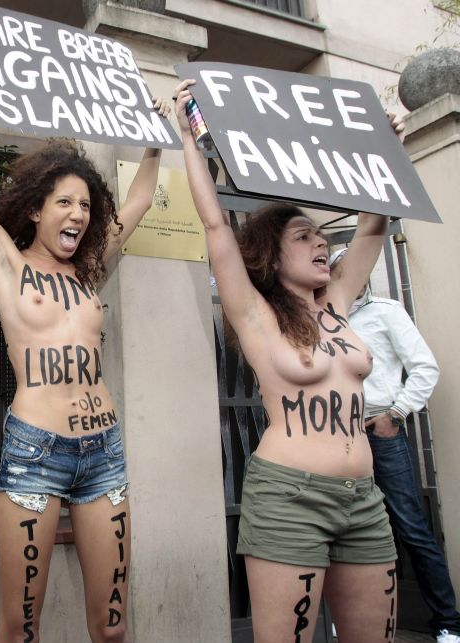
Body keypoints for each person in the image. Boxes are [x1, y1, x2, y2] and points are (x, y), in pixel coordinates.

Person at [0, 22, 169, 643]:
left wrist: (156, 141)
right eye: (65, 202)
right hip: (36, 454)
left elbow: (140, 202)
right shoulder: (6, 263)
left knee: (112, 628)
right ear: (36, 209)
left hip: (104, 452)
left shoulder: (90, 269)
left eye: (86, 205)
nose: (79, 214)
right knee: (20, 628)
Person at [174, 77, 406, 643]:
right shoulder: (258, 316)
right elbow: (215, 226)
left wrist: (386, 151)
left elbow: (374, 225)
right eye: (304, 237)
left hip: (365, 499)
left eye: (322, 236)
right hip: (290, 499)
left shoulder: (340, 300)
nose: (321, 243)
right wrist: (188, 138)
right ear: (273, 256)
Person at [330, 248, 460, 643]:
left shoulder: (386, 311)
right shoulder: (322, 318)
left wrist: (396, 413)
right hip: (335, 435)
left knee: (410, 526)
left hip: (379, 429)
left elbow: (425, 367)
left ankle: (448, 622)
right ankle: (343, 618)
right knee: (341, 527)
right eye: (343, 269)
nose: (354, 274)